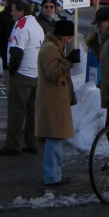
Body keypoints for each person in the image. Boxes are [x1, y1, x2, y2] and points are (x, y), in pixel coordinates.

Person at [0, 0, 44, 155]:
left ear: (21, 11)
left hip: (22, 74)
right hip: (35, 74)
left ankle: (13, 145)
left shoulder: (21, 25)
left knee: (16, 110)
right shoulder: (36, 25)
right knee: (31, 111)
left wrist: (12, 70)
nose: (11, 13)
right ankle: (32, 143)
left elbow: (16, 51)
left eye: (13, 10)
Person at [35, 19, 81, 185]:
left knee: (56, 138)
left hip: (54, 99)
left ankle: (55, 175)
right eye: (68, 37)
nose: (69, 40)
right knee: (54, 139)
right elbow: (53, 73)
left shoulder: (53, 46)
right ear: (61, 35)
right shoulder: (50, 48)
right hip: (53, 99)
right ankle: (53, 177)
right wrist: (68, 60)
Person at [0, 0, 20, 79]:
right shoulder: (24, 16)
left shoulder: (1, 15)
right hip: (21, 60)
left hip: (7, 56)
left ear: (6, 0)